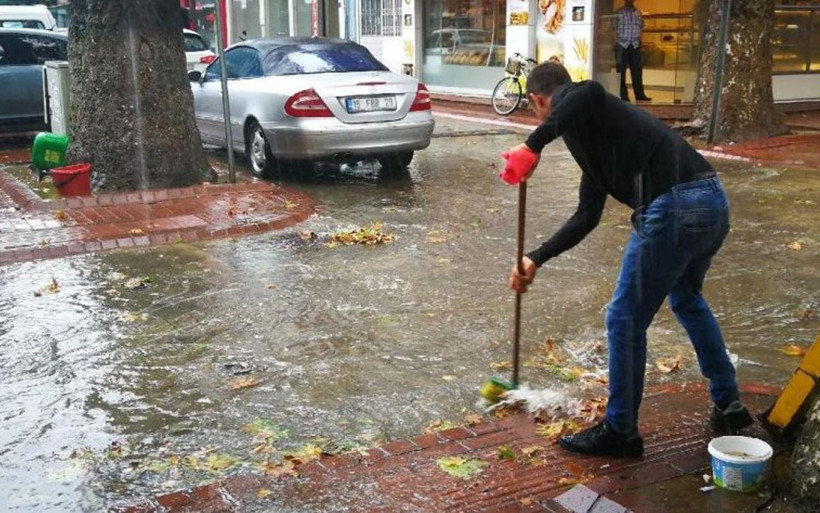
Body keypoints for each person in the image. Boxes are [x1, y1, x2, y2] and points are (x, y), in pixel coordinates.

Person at [501, 62, 753, 458]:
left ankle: (620, 430)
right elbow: (587, 215)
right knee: (686, 299)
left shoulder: (582, 98)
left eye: (537, 109)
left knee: (623, 318)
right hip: (710, 201)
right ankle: (730, 405)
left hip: (673, 206)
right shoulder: (592, 133)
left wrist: (532, 146)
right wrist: (536, 257)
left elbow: (586, 93)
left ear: (537, 100)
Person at [614, 0, 651, 102]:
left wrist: (639, 41)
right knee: (621, 73)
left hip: (635, 45)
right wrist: (616, 40)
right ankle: (623, 96)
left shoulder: (638, 12)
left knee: (637, 72)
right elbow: (613, 27)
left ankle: (640, 95)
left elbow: (641, 27)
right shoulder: (618, 12)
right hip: (622, 45)